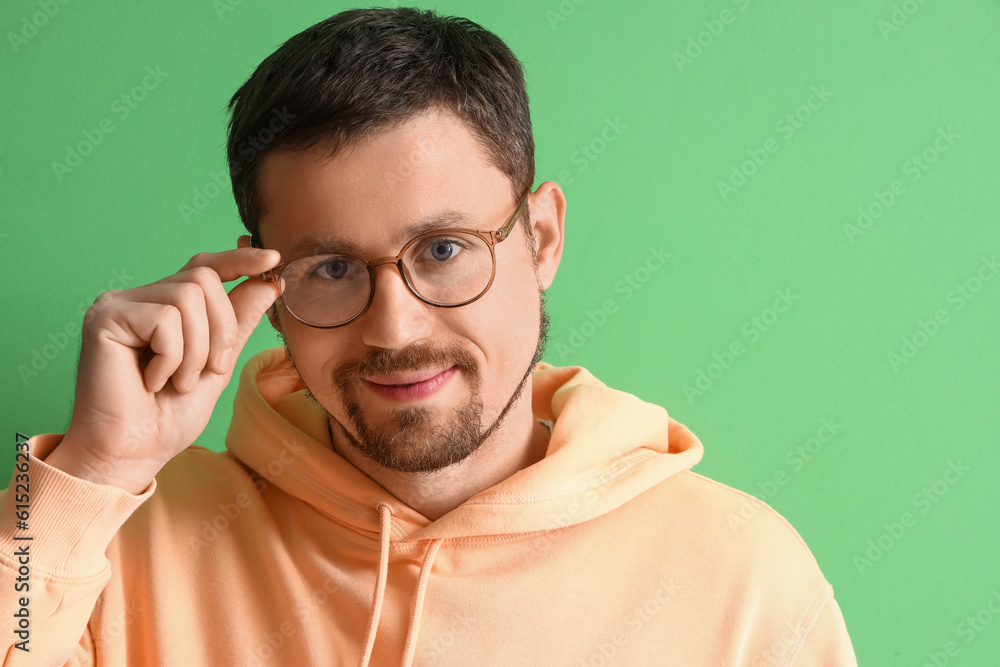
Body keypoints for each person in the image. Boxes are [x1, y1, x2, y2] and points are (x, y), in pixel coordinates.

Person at [0, 7, 857, 666]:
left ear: (543, 237)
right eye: (330, 268)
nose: (394, 327)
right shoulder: (117, 544)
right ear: (263, 284)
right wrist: (90, 474)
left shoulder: (740, 574)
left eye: (443, 250)